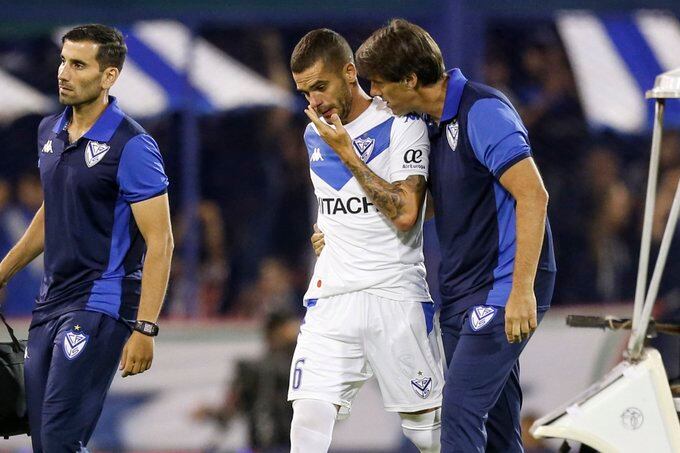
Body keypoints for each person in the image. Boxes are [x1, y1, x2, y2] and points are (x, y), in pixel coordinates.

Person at [314, 19, 557, 452]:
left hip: (501, 286)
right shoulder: (430, 126)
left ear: (411, 78)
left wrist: (521, 290)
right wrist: (343, 230)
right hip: (461, 290)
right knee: (500, 431)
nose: (379, 97)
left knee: (458, 412)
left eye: (382, 84)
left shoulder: (482, 111)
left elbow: (534, 196)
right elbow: (421, 211)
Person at [0, 24, 173, 452]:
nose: (64, 72)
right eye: (63, 60)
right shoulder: (49, 132)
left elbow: (161, 241)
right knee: (42, 440)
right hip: (50, 302)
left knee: (59, 437)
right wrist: (3, 271)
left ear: (109, 76)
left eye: (78, 64)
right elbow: (52, 212)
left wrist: (145, 327)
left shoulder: (132, 145)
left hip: (102, 302)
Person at [287, 29, 444, 453]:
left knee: (429, 434)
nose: (315, 102)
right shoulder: (313, 133)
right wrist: (324, 232)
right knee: (308, 419)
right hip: (332, 297)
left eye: (321, 86)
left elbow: (408, 212)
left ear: (350, 72)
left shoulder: (401, 123)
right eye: (305, 92)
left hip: (394, 296)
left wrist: (349, 154)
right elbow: (336, 202)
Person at [192, 310, 300, 452]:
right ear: (274, 331)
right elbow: (230, 411)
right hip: (262, 446)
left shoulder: (301, 371)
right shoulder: (251, 370)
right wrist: (211, 412)